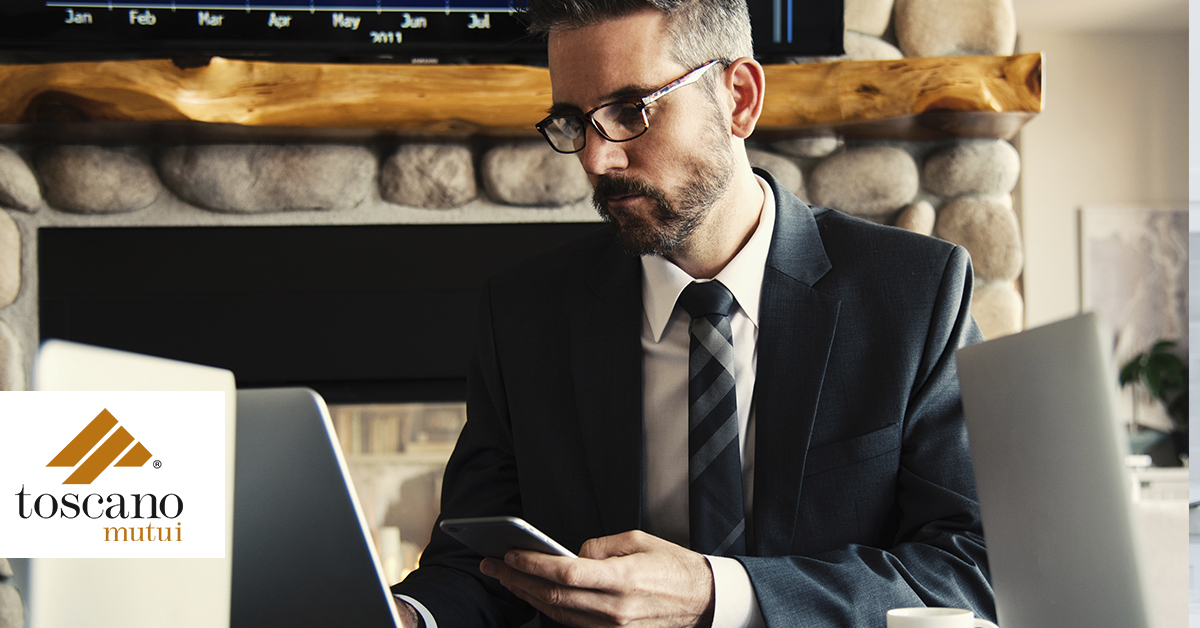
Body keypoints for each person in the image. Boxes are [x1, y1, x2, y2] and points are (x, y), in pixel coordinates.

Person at [391, 0, 994, 625]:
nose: (596, 161)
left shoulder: (915, 294)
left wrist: (719, 596)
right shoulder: (524, 315)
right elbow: (476, 566)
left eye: (631, 112)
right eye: (573, 122)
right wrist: (405, 617)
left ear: (739, 98)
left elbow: (973, 566)